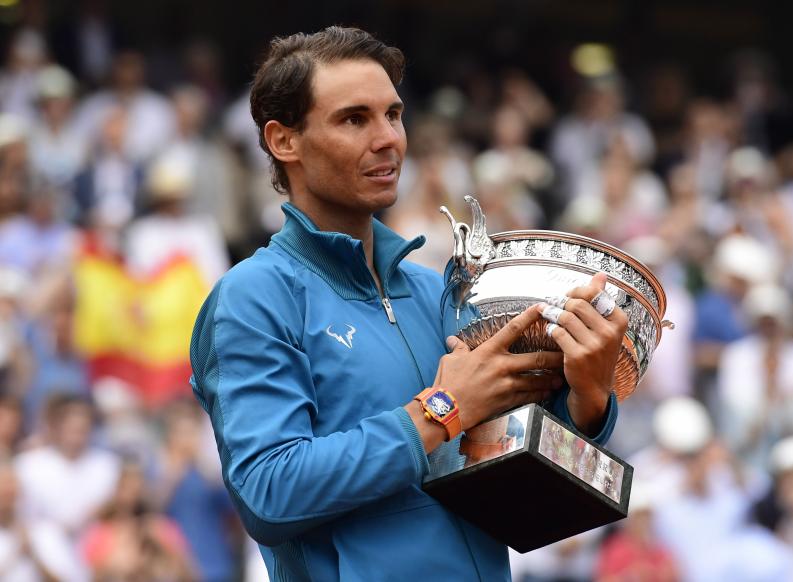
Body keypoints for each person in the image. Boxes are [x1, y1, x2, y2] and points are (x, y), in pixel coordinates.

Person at [189, 26, 626, 581]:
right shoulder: (254, 297)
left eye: (393, 115)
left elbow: (511, 470)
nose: (388, 138)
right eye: (354, 119)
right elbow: (269, 492)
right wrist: (439, 410)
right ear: (284, 141)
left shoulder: (434, 290)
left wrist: (586, 397)